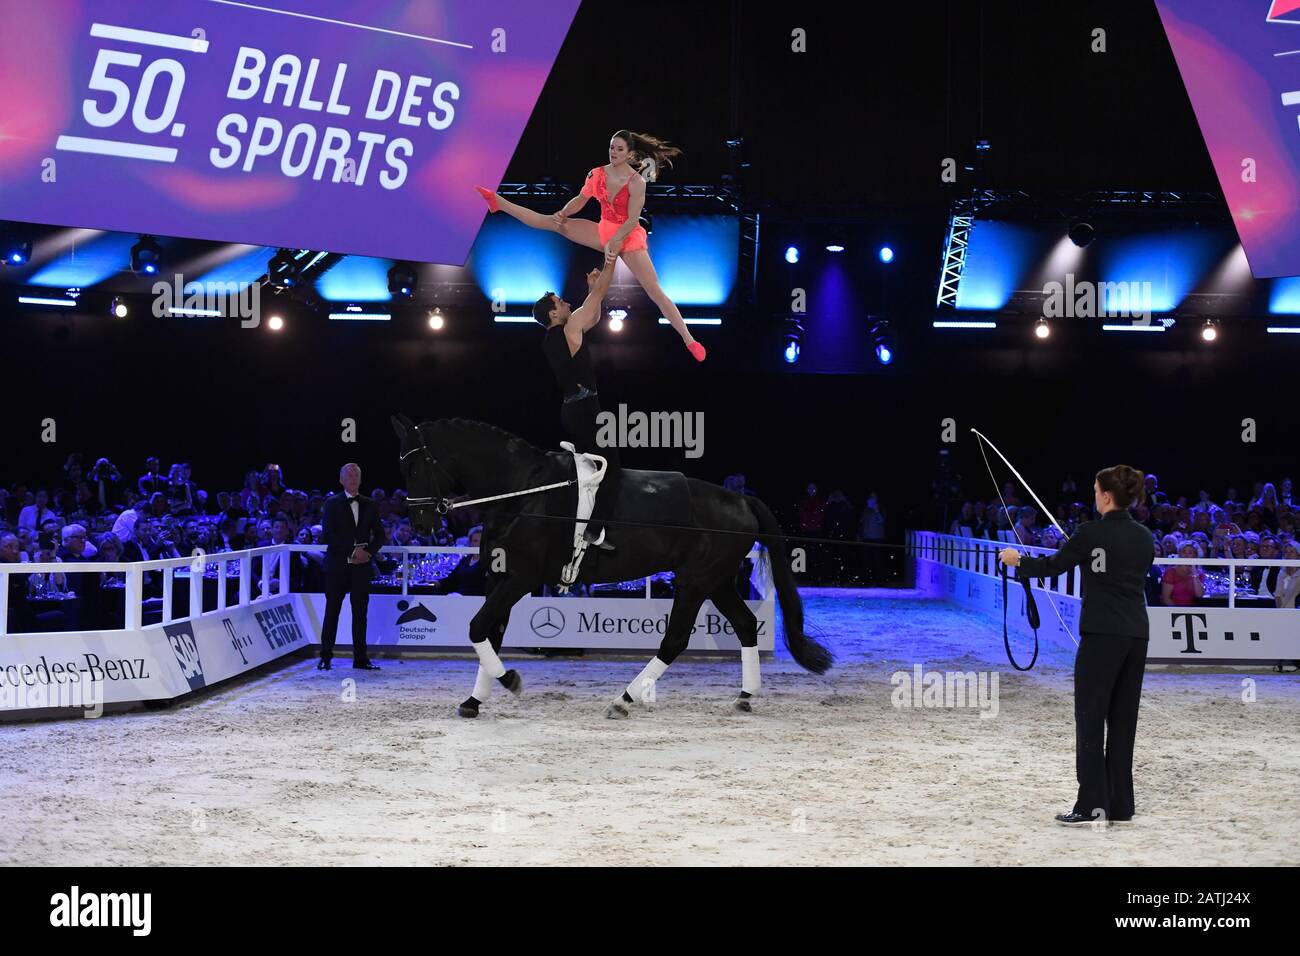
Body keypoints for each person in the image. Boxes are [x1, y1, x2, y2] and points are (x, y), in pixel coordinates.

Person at [999, 465, 1155, 827]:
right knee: (1122, 722)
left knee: (1089, 719)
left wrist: (1018, 561)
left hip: (1102, 634)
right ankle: (1120, 804)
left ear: (1105, 495)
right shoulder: (1145, 537)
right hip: (1136, 634)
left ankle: (1090, 805)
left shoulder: (1090, 533)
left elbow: (1054, 566)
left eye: (1095, 490)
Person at [478, 129, 706, 361]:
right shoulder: (596, 174)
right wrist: (564, 212)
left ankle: (689, 339)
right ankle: (499, 203)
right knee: (551, 223)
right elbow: (581, 199)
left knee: (654, 291)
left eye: (619, 149)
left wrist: (617, 241)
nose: (613, 152)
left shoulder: (637, 182)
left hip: (628, 235)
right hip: (604, 230)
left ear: (629, 154)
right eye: (611, 147)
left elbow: (632, 220)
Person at [535, 257, 621, 551]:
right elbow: (593, 304)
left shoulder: (557, 336)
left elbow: (594, 316)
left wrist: (594, 290)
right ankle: (593, 530)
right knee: (610, 468)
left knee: (592, 468)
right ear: (553, 314)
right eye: (559, 302)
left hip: (577, 410)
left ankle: (581, 522)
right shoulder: (566, 331)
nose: (566, 302)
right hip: (584, 412)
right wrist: (604, 273)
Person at [318, 463, 386, 671]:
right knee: (332, 612)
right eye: (349, 475)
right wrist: (352, 551)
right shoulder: (332, 503)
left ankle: (360, 658)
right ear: (341, 480)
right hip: (338, 566)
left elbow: (380, 534)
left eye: (356, 474)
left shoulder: (370, 504)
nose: (353, 478)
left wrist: (368, 553)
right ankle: (325, 656)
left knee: (360, 614)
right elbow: (328, 534)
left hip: (361, 568)